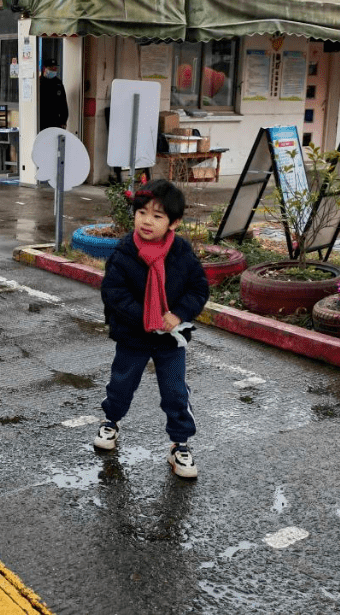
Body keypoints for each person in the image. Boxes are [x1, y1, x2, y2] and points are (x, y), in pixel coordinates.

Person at [94, 179, 209, 479]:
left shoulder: (181, 251)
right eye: (142, 212)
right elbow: (114, 292)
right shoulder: (124, 251)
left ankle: (180, 445)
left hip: (171, 338)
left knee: (174, 392)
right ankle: (111, 422)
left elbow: (199, 288)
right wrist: (146, 317)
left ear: (174, 222)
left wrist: (179, 313)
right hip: (133, 334)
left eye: (158, 216)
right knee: (121, 383)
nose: (147, 221)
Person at [38, 58, 69, 130]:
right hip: (41, 120)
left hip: (55, 121)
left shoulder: (58, 83)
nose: (53, 70)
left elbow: (63, 102)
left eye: (55, 68)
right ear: (44, 68)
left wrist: (63, 121)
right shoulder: (39, 82)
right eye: (51, 68)